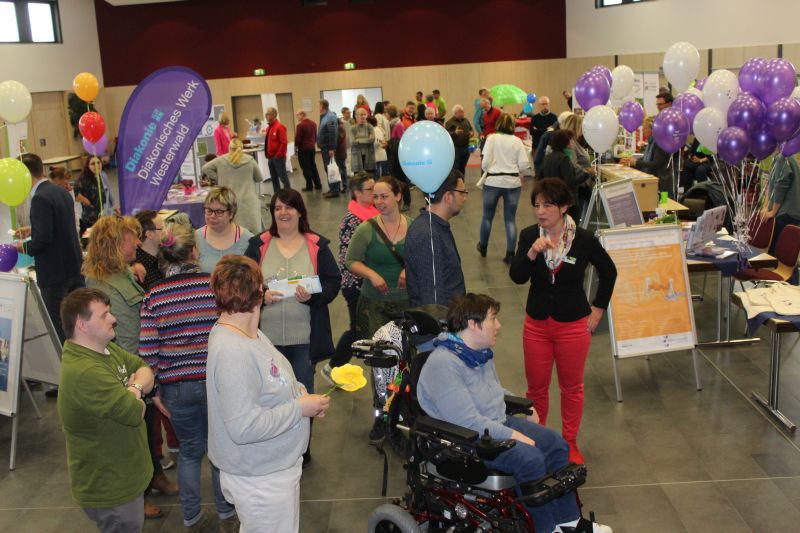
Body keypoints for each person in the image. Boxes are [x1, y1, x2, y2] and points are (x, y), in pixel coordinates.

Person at [416, 293, 613, 533]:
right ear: (472, 324)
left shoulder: (478, 352)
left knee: (555, 444)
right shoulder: (443, 364)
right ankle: (545, 528)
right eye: (493, 319)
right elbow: (468, 422)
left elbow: (493, 391)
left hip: (495, 424)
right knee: (530, 459)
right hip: (468, 441)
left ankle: (569, 523)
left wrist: (525, 406)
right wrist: (514, 435)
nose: (498, 325)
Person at [207, 255, 330, 532]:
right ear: (258, 293)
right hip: (259, 479)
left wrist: (299, 395)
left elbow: (273, 375)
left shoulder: (248, 331)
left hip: (270, 471)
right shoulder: (233, 350)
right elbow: (244, 426)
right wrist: (300, 409)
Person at [138, 224, 239, 532]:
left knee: (189, 452)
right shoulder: (214, 286)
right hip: (214, 382)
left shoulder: (153, 296)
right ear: (195, 252)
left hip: (175, 389)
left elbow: (148, 351)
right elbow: (231, 333)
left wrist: (155, 392)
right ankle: (227, 513)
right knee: (220, 450)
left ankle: (192, 517)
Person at [510, 178, 617, 465]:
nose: (540, 211)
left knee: (572, 387)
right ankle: (539, 438)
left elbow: (609, 272)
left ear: (564, 206)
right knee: (536, 388)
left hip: (572, 324)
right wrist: (532, 252)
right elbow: (517, 276)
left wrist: (598, 310)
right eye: (536, 205)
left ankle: (569, 441)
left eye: (547, 205)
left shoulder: (583, 239)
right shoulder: (529, 234)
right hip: (537, 323)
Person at [83, 215, 179, 518]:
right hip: (125, 370)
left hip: (141, 363)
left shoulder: (119, 273)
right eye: (130, 238)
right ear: (114, 244)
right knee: (133, 436)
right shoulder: (99, 283)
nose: (137, 243)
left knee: (149, 428)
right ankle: (138, 494)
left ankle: (155, 475)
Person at [57, 288, 156, 533]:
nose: (113, 319)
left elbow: (144, 369)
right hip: (111, 488)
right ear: (81, 324)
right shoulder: (85, 371)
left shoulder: (103, 350)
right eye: (104, 315)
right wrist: (137, 392)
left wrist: (132, 388)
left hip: (123, 476)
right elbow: (135, 413)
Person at [244, 189, 341, 401]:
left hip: (304, 341)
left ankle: (303, 436)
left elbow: (333, 282)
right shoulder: (258, 245)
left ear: (300, 212)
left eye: (289, 207)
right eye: (277, 208)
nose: (283, 212)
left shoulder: (317, 246)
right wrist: (261, 297)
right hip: (265, 341)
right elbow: (243, 283)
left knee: (303, 397)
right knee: (269, 399)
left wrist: (313, 297)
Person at [14, 154, 83, 345]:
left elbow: (42, 241)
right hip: (73, 267)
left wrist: (23, 246)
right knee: (81, 322)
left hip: (54, 276)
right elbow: (61, 226)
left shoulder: (39, 198)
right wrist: (32, 229)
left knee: (61, 330)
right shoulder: (60, 191)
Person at [322, 173, 379, 381]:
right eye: (370, 189)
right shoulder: (352, 220)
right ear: (357, 193)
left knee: (364, 328)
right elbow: (350, 259)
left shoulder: (373, 212)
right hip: (356, 285)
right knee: (358, 330)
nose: (375, 193)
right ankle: (333, 367)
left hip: (370, 283)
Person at [345, 176, 412, 341]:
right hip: (374, 304)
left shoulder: (413, 226)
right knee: (380, 357)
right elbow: (351, 260)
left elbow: (425, 258)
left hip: (407, 302)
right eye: (375, 197)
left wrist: (409, 269)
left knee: (408, 355)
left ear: (398, 196)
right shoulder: (366, 229)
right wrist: (371, 275)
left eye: (384, 196)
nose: (379, 201)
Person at [405, 170, 467, 307]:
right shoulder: (429, 235)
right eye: (462, 192)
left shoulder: (434, 225)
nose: (465, 198)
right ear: (448, 197)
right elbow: (432, 300)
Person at [477, 113, 530, 264]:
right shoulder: (517, 141)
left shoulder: (491, 138)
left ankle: (483, 247)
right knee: (510, 220)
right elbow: (524, 165)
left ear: (498, 124)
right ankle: (510, 254)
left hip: (493, 181)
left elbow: (485, 164)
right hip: (513, 183)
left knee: (487, 217)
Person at [202, 138, 263, 234]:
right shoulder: (250, 161)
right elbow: (259, 177)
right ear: (241, 148)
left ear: (229, 147)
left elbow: (205, 168)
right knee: (253, 233)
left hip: (228, 200)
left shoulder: (220, 160)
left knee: (231, 232)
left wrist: (218, 178)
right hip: (248, 201)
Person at [195, 186, 254, 273]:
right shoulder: (196, 238)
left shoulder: (248, 240)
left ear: (231, 214)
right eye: (209, 211)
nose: (212, 216)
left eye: (219, 212)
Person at [620, 116, 675, 197]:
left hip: (662, 184)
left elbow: (655, 164)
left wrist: (636, 162)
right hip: (655, 181)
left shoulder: (659, 143)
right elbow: (647, 158)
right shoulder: (651, 142)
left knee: (664, 207)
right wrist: (632, 160)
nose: (643, 130)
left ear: (653, 129)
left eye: (645, 128)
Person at [540, 130, 589, 221]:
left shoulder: (547, 157)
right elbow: (570, 182)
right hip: (566, 200)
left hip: (550, 197)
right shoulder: (564, 159)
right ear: (565, 142)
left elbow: (540, 177)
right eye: (570, 140)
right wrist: (586, 174)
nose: (572, 143)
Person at [762, 154, 800, 254]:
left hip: (785, 213)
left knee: (777, 254)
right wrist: (765, 206)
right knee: (786, 252)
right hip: (790, 212)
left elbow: (780, 186)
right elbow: (770, 184)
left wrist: (773, 211)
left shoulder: (782, 157)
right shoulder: (790, 158)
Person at [75, 156, 114, 234]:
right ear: (88, 166)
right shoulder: (83, 179)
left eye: (98, 163)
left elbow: (107, 191)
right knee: (89, 241)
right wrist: (86, 201)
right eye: (93, 164)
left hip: (104, 215)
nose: (96, 165)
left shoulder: (103, 176)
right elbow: (76, 195)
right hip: (90, 218)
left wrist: (112, 206)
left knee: (105, 238)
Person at [133, 210, 165, 291]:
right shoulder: (137, 268)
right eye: (162, 228)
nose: (166, 232)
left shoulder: (166, 254)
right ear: (149, 234)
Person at [48, 166, 84, 237]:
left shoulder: (68, 188)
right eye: (66, 180)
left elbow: (72, 206)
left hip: (71, 221)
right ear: (57, 180)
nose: (67, 183)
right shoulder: (51, 192)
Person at [318, 98, 341, 196]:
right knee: (328, 168)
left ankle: (335, 190)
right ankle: (332, 188)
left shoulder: (330, 117)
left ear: (322, 106)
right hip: (325, 148)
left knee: (331, 168)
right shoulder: (325, 116)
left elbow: (333, 133)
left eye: (318, 106)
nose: (317, 108)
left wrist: (332, 148)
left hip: (328, 148)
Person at [264, 107, 291, 193]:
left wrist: (278, 155)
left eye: (268, 114)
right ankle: (277, 198)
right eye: (266, 114)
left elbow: (284, 143)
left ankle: (289, 197)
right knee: (274, 179)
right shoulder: (269, 128)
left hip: (278, 158)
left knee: (283, 178)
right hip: (270, 158)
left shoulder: (279, 127)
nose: (266, 116)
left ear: (274, 115)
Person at [295, 109, 322, 191]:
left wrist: (296, 146)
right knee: (313, 166)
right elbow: (315, 136)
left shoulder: (300, 126)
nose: (297, 117)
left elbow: (298, 139)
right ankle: (318, 184)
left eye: (298, 115)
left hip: (303, 149)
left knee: (305, 167)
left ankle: (309, 186)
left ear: (302, 115)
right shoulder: (313, 124)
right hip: (311, 148)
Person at [445, 105, 473, 176]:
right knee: (456, 168)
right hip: (456, 149)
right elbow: (446, 134)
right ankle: (455, 185)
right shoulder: (449, 122)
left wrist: (472, 133)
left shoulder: (466, 120)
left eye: (463, 111)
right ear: (455, 113)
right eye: (460, 112)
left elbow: (471, 129)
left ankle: (462, 184)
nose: (462, 113)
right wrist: (455, 133)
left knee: (462, 167)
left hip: (466, 148)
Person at [351, 108, 376, 174]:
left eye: (364, 114)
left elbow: (372, 140)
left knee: (370, 175)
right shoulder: (352, 128)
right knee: (358, 177)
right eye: (361, 114)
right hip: (357, 155)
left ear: (367, 116)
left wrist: (358, 140)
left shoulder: (370, 126)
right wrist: (367, 139)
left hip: (369, 154)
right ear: (356, 116)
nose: (363, 116)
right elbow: (353, 142)